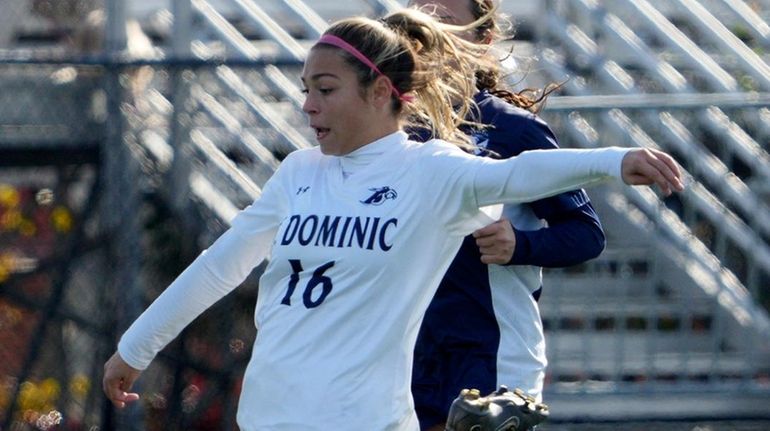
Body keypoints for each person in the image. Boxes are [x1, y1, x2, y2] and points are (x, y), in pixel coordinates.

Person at [102, 7, 684, 431]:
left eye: (325, 89)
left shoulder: (431, 170)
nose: (308, 105)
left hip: (369, 416)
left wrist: (615, 161)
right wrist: (135, 348)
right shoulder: (299, 172)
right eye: (306, 89)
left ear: (380, 91)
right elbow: (218, 268)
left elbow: (520, 173)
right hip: (269, 415)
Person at [407, 1, 604, 429]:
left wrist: (521, 244)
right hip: (408, 350)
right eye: (423, 22)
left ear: (484, 40)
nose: (432, 35)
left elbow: (587, 234)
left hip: (491, 353)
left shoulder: (514, 129)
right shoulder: (394, 129)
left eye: (447, 24)